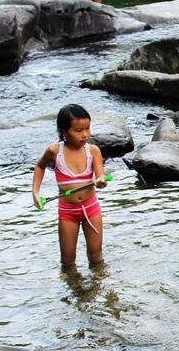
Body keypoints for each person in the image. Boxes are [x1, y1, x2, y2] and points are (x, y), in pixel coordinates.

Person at [32, 104, 109, 268]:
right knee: (67, 259)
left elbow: (100, 175)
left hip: (91, 209)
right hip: (67, 212)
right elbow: (40, 166)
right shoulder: (54, 151)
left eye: (87, 128)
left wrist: (101, 181)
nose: (85, 134)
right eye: (78, 130)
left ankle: (99, 286)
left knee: (96, 254)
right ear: (63, 132)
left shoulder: (93, 151)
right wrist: (35, 193)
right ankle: (72, 289)